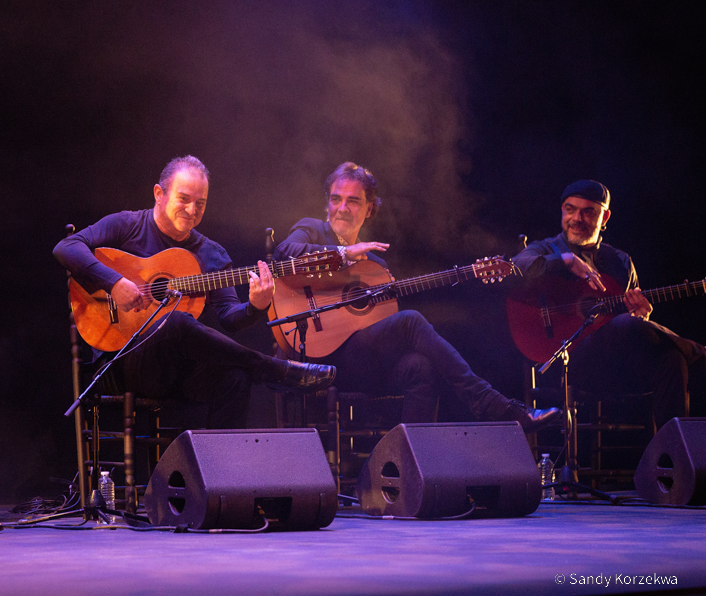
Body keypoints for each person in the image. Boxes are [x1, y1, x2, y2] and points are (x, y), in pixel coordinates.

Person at [274, 161, 560, 432]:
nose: (342, 208)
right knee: (410, 321)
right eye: (336, 199)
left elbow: (373, 329)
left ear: (369, 209)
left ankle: (408, 460)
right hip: (317, 359)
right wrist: (343, 253)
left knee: (420, 368)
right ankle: (493, 405)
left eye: (353, 201)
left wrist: (384, 301)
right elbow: (284, 252)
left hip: (359, 364)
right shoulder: (312, 230)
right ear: (327, 203)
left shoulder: (375, 265)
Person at [54, 155, 336, 429]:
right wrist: (114, 283)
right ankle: (272, 369)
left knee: (236, 377)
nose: (192, 210)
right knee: (176, 321)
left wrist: (256, 306)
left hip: (177, 371)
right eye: (184, 199)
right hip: (122, 363)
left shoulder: (212, 254)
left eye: (200, 203)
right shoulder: (128, 225)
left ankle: (222, 462)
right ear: (159, 194)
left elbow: (229, 318)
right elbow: (66, 247)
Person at [512, 180, 704, 429]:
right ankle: (698, 352)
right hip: (565, 364)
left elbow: (631, 329)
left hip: (612, 369)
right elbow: (515, 266)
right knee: (624, 323)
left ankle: (673, 450)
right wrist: (565, 260)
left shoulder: (620, 262)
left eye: (588, 212)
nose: (577, 218)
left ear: (604, 217)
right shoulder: (545, 249)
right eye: (570, 209)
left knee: (672, 360)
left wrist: (641, 318)